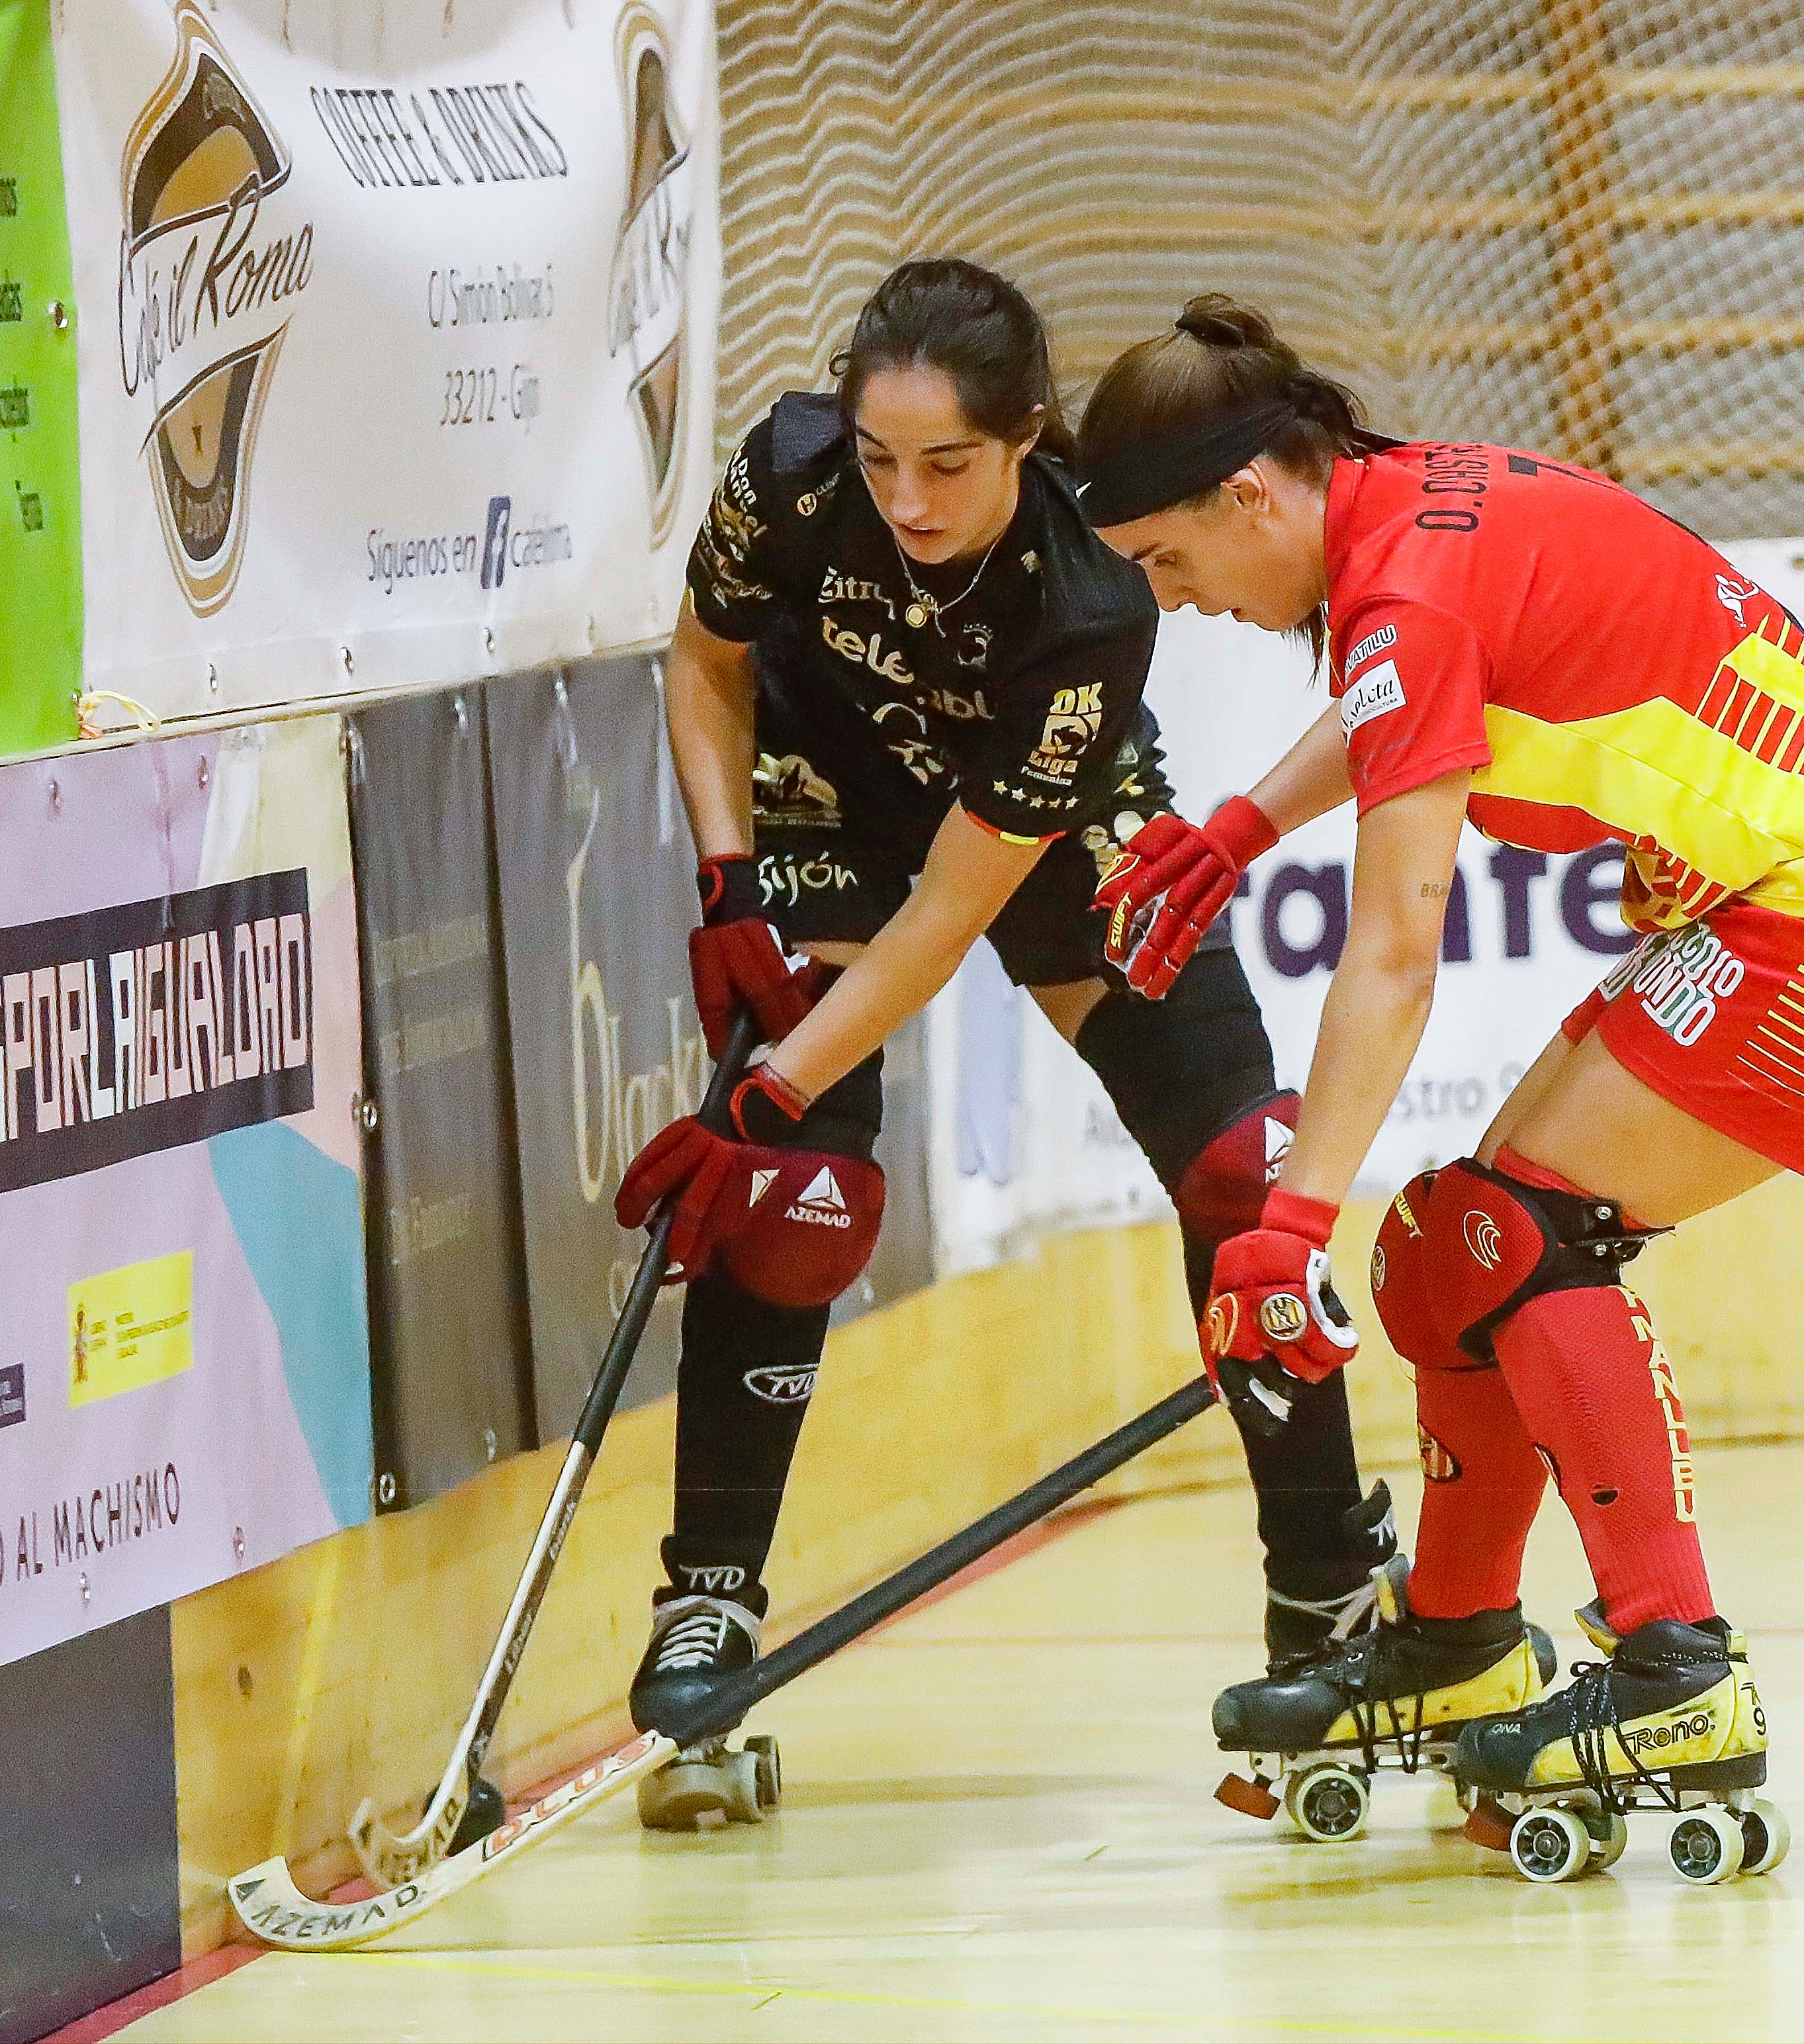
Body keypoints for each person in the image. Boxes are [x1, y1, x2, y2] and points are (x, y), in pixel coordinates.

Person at [1075, 297, 1804, 1870]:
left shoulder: (1400, 599)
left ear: (1250, 493)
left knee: (1518, 1240)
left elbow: (1395, 950)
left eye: (1168, 559)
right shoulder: (1402, 506)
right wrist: (1245, 824)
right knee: (1448, 1255)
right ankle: (1458, 1639)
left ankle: (1674, 1670)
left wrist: (1288, 1224)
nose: (1176, 601)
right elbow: (1405, 697)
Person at [613, 263, 1396, 1816]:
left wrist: (764, 1089)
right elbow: (705, 662)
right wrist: (725, 878)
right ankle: (707, 1599)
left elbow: (952, 911)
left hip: (1040, 832)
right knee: (791, 1204)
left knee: (1245, 1172)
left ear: (1030, 438)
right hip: (827, 802)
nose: (906, 499)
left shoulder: (1092, 594)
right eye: (880, 459)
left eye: (949, 463)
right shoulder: (785, 476)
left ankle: (1327, 1589)